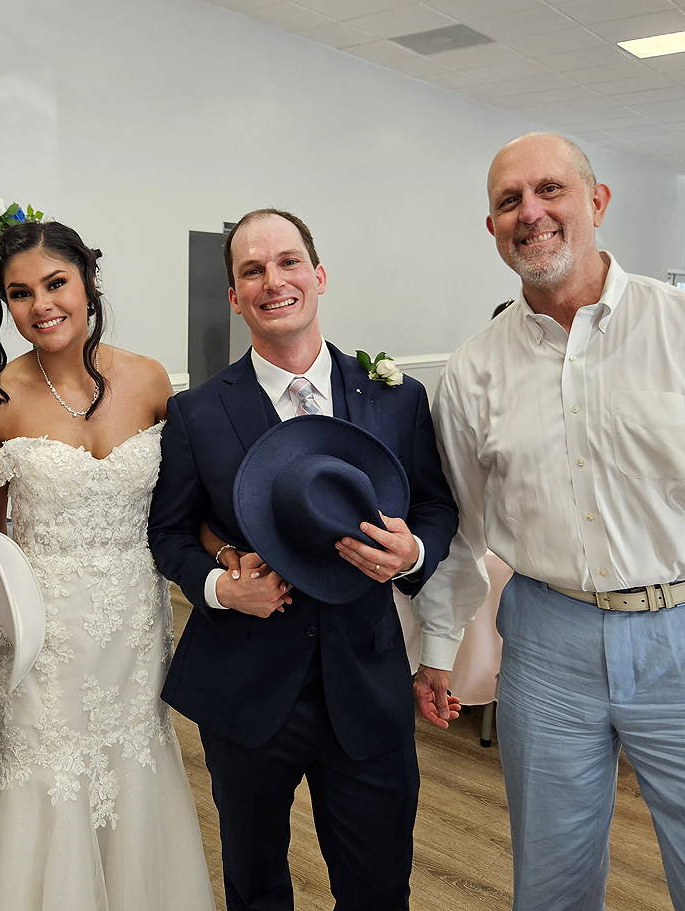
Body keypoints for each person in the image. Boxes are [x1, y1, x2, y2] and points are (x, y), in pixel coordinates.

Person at [148, 208, 459, 911]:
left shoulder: (397, 397)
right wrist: (221, 587)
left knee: (378, 889)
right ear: (235, 296)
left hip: (367, 686)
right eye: (252, 270)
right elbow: (168, 532)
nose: (273, 281)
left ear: (318, 275)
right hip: (247, 688)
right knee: (255, 886)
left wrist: (412, 551)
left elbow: (437, 508)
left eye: (288, 262)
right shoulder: (197, 412)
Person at [413, 132, 685, 910]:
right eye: (509, 201)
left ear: (597, 202)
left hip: (677, 630)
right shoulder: (473, 370)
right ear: (493, 228)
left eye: (550, 190)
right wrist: (438, 650)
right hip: (545, 644)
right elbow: (463, 527)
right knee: (552, 882)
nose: (529, 212)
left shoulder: (676, 326)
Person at [0, 220, 215, 911]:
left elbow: (183, 509)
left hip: (134, 622)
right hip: (39, 636)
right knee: (45, 777)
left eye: (55, 283)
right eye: (20, 293)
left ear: (88, 283)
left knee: (133, 760)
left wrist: (228, 562)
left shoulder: (150, 378)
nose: (40, 305)